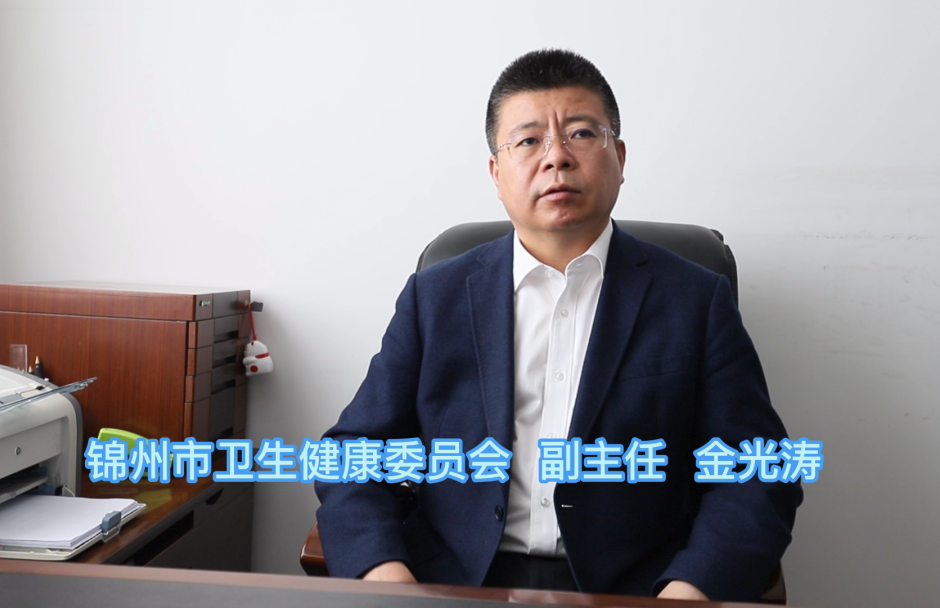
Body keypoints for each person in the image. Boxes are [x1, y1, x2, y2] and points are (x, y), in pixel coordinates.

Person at [315, 49, 802, 602]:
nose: (556, 158)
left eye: (581, 134)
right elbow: (351, 455)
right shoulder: (436, 297)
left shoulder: (693, 298)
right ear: (497, 174)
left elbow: (760, 473)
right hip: (455, 582)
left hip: (636, 589)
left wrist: (689, 591)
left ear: (619, 156)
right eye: (528, 141)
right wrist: (387, 578)